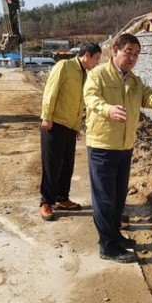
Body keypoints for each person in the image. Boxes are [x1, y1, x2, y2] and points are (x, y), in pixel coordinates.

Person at [83, 33, 152, 263]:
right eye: (128, 51)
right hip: (102, 145)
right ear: (115, 51)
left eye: (136, 54)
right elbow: (90, 99)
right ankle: (108, 246)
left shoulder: (133, 80)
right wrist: (107, 109)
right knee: (103, 198)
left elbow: (146, 95)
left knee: (118, 196)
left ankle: (116, 236)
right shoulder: (98, 75)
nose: (132, 57)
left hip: (125, 146)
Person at [39, 42, 102, 221]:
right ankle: (46, 202)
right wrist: (47, 116)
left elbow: (79, 102)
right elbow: (50, 91)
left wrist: (76, 126)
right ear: (87, 55)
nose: (96, 63)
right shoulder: (64, 66)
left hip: (69, 126)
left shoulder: (84, 74)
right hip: (54, 122)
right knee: (52, 164)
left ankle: (62, 198)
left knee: (67, 164)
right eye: (96, 58)